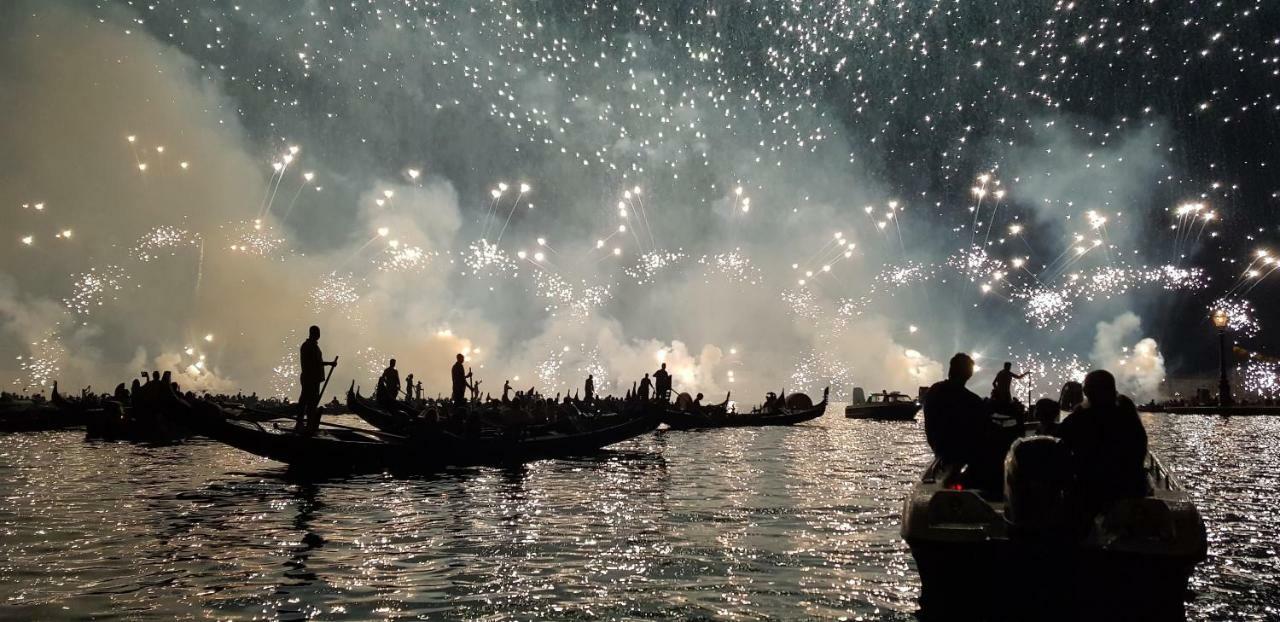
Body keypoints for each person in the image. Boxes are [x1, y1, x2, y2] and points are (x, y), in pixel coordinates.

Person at [1056, 370, 1149, 518]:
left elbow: (1060, 444)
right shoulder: (1127, 413)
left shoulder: (1081, 417)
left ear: (1088, 392)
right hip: (1129, 488)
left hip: (1091, 490)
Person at [923, 353, 1007, 491]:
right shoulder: (970, 400)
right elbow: (985, 425)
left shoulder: (934, 391)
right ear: (969, 373)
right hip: (961, 454)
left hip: (941, 450)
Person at [295, 325, 337, 435]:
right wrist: (329, 363)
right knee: (306, 401)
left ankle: (310, 425)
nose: (319, 335)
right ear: (313, 333)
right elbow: (314, 363)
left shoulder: (314, 346)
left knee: (312, 403)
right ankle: (301, 424)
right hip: (309, 378)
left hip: (315, 379)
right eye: (317, 333)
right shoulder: (308, 346)